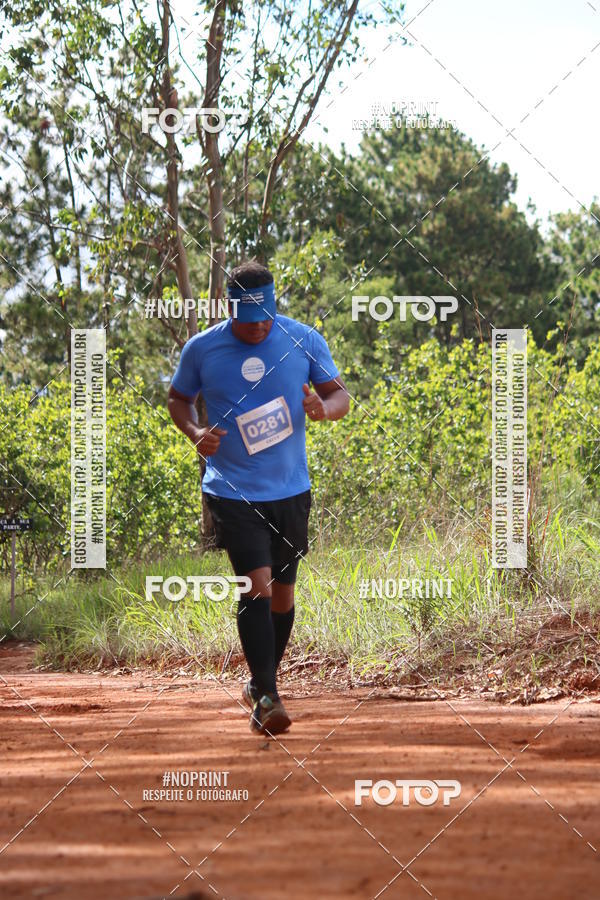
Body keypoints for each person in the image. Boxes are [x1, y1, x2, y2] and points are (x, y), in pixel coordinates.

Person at [167, 261, 349, 735]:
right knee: (256, 585)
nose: (259, 328)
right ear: (230, 310)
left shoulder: (303, 339)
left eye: (265, 318)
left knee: (282, 595)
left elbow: (340, 397)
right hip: (232, 490)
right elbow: (178, 399)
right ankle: (268, 698)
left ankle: (259, 682)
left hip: (290, 490)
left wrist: (324, 408)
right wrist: (195, 431)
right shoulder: (202, 348)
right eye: (249, 320)